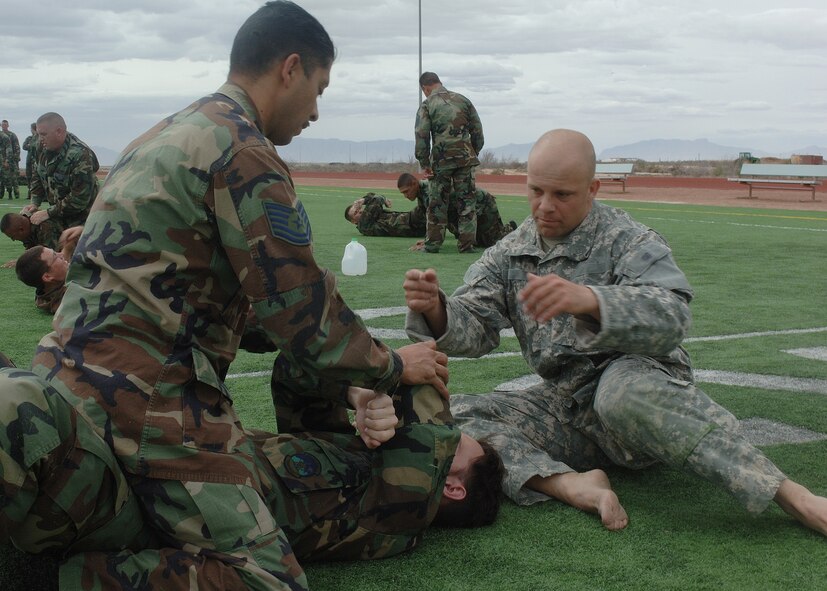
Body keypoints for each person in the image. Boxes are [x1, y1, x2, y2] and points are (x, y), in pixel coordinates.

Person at [28, 2, 450, 589]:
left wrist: (349, 376)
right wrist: (390, 367)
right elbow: (302, 314)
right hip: (147, 407)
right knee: (265, 580)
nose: (317, 112)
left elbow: (224, 304)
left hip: (70, 383)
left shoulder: (165, 134)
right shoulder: (244, 151)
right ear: (291, 68)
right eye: (319, 89)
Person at [403, 128, 827, 537]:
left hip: (639, 395)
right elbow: (474, 328)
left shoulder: (628, 240)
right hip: (568, 410)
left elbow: (673, 317)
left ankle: (791, 495)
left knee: (619, 393)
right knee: (455, 413)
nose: (544, 206)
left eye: (562, 194)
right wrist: (437, 310)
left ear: (593, 188)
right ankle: (569, 484)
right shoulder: (510, 252)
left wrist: (592, 301)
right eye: (536, 191)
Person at [0, 354, 504, 583]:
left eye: (462, 445)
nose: (453, 430)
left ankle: (51, 576)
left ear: (455, 488)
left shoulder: (405, 509)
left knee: (19, 404)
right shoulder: (361, 460)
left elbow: (426, 400)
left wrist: (389, 371)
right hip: (157, 454)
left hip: (142, 510)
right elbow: (293, 371)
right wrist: (355, 392)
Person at [415, 72, 484, 253]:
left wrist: (425, 163)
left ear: (425, 88)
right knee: (467, 202)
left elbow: (422, 135)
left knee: (437, 203)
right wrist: (471, 152)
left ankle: (433, 245)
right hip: (465, 159)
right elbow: (478, 131)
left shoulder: (427, 105)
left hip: (440, 161)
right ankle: (466, 245)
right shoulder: (463, 100)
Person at [397, 174, 515, 251]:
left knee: (494, 242)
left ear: (414, 184)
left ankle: (511, 230)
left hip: (482, 203)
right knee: (478, 241)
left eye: (407, 191)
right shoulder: (422, 194)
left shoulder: (430, 192)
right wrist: (428, 239)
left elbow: (438, 220)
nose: (406, 196)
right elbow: (430, 220)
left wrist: (429, 245)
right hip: (462, 208)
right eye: (403, 193)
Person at [22, 112, 99, 229]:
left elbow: (80, 199)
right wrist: (34, 203)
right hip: (59, 213)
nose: (40, 139)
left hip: (84, 219)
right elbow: (38, 173)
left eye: (43, 134)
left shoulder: (80, 154)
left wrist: (48, 213)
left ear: (59, 131)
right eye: (38, 134)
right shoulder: (41, 146)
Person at [13, 227, 80, 313]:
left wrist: (67, 248)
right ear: (47, 277)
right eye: (55, 256)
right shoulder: (73, 297)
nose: (61, 255)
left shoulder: (47, 290)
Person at [345, 192, 427, 238]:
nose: (360, 211)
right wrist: (364, 200)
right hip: (410, 223)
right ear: (353, 221)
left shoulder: (371, 217)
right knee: (426, 200)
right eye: (355, 213)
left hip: (410, 223)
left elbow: (374, 196)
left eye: (359, 209)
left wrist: (363, 200)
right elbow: (377, 198)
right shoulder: (364, 224)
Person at [1, 119, 20, 199]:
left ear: (8, 126)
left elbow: (16, 147)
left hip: (11, 160)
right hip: (2, 159)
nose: (4, 126)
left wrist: (15, 158)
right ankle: (1, 194)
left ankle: (16, 194)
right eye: (2, 125)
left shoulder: (12, 135)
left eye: (5, 125)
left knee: (13, 178)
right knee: (3, 178)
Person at [21, 122, 39, 190]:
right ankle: (30, 193)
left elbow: (37, 147)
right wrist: (31, 146)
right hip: (29, 160)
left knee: (37, 177)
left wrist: (30, 145)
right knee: (29, 176)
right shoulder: (29, 138)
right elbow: (24, 146)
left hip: (37, 160)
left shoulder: (39, 138)